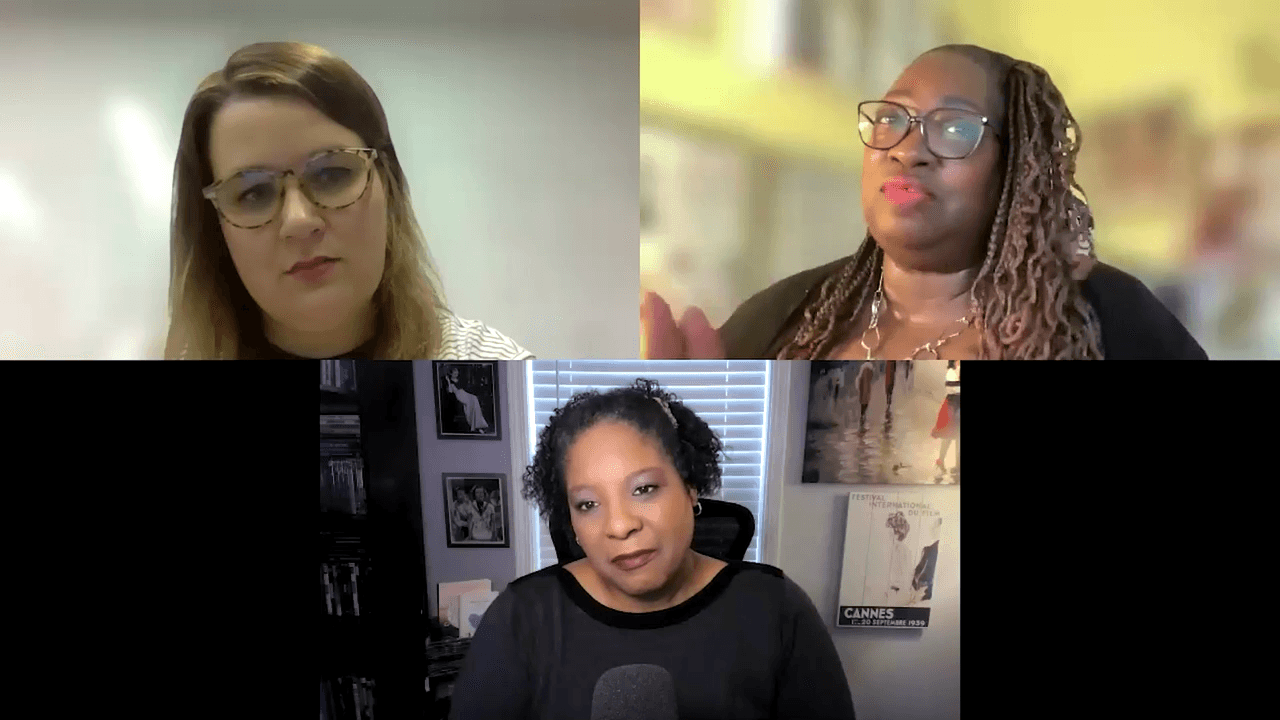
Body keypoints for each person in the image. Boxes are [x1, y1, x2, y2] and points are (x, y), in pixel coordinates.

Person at [640, 44, 1208, 360]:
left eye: (954, 128)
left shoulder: (1111, 320)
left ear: (1015, 169)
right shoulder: (778, 323)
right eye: (891, 119)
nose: (909, 150)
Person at [449, 380, 857, 719]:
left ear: (690, 486)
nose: (620, 525)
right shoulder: (520, 618)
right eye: (587, 504)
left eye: (644, 489)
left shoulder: (776, 609)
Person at [164, 41, 532, 360]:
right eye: (253, 193)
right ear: (216, 228)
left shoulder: (496, 369)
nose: (299, 221)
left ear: (388, 186)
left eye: (332, 174)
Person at [931, 362, 961, 479]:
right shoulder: (953, 371)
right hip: (954, 405)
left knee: (949, 436)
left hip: (952, 404)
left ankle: (944, 462)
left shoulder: (951, 371)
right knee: (953, 436)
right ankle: (953, 464)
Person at [444, 368, 490, 433]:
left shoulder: (458, 379)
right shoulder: (450, 381)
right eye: (454, 373)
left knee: (475, 399)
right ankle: (474, 425)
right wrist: (448, 381)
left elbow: (464, 388)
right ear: (451, 374)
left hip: (464, 393)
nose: (456, 374)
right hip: (460, 395)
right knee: (471, 403)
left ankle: (478, 425)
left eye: (457, 373)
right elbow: (450, 391)